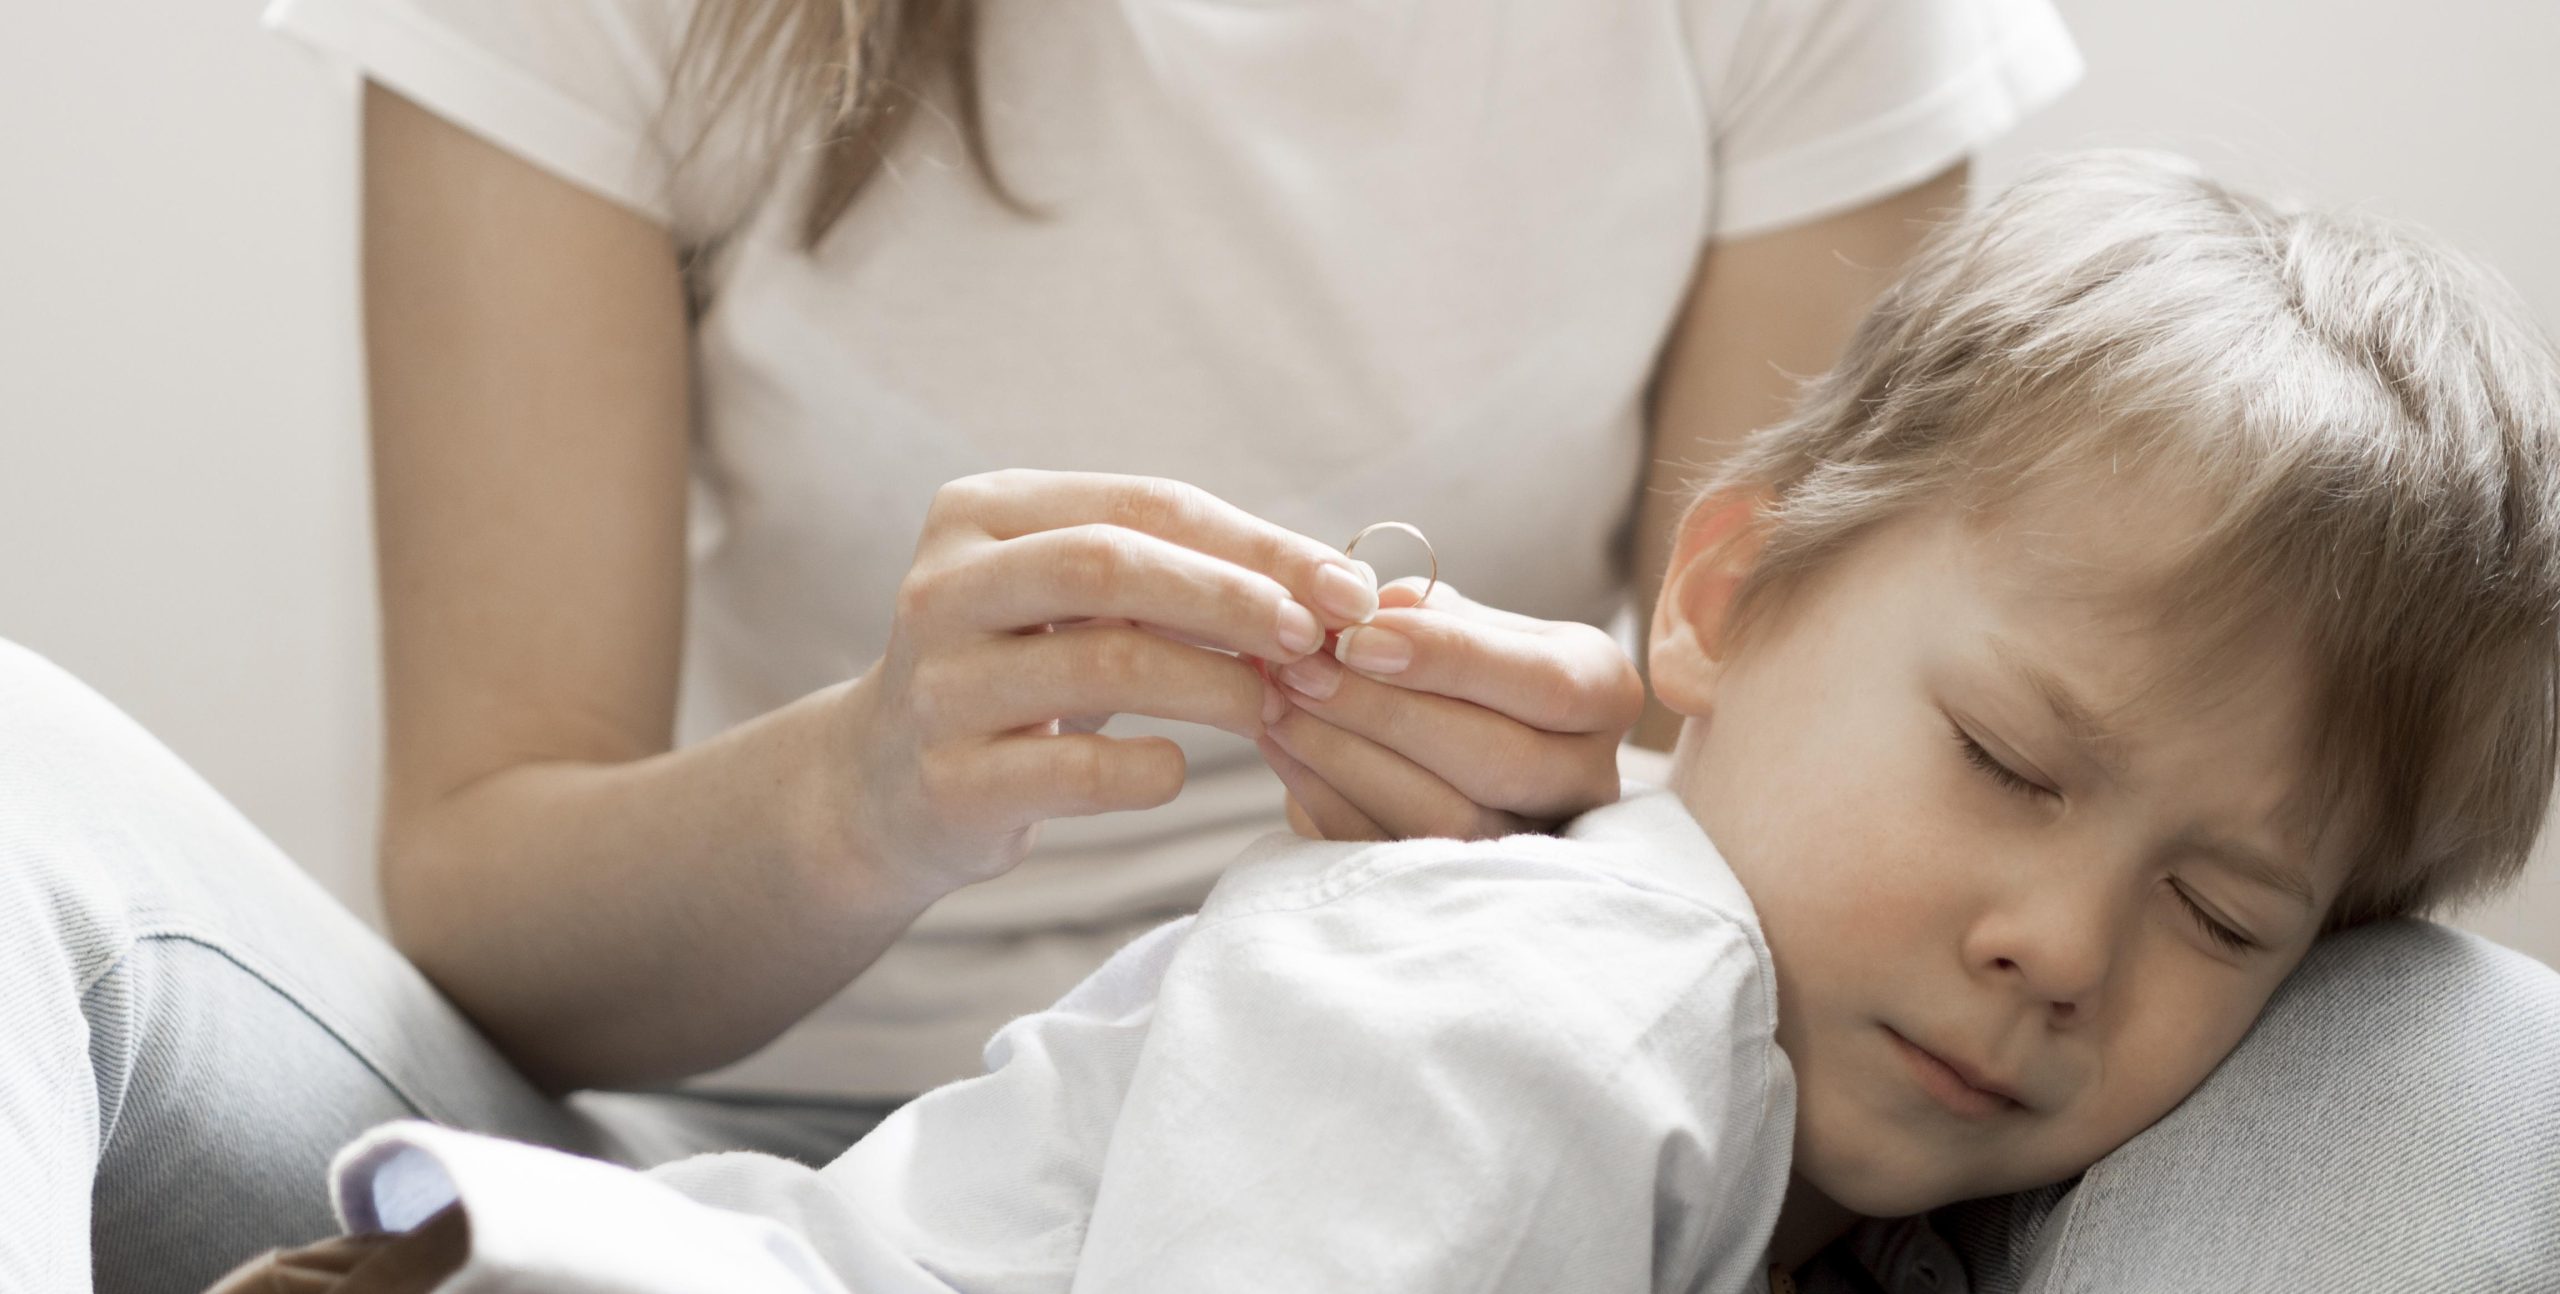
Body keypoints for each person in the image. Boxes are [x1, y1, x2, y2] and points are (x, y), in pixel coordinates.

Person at [199, 150, 2560, 1293]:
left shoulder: (1811, 1137)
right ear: (1714, 596)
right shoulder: (1543, 1006)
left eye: (2225, 908)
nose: (2054, 935)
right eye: (2004, 762)